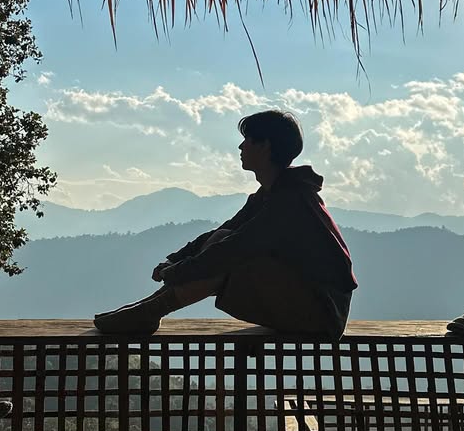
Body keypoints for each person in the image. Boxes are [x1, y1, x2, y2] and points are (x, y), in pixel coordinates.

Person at [94, 110, 358, 338]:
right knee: (222, 237)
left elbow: (235, 248)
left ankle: (150, 312)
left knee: (229, 256)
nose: (241, 147)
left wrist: (175, 272)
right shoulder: (272, 195)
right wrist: (175, 260)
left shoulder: (290, 201)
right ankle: (148, 309)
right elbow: (225, 231)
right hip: (305, 298)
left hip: (323, 312)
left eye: (247, 140)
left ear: (265, 146)